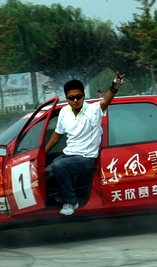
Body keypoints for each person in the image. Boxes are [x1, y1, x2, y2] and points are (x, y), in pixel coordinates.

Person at [45, 72, 125, 215]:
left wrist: (114, 88)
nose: (76, 100)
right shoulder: (64, 112)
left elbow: (105, 101)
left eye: (78, 96)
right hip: (68, 154)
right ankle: (55, 198)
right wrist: (42, 153)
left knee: (58, 166)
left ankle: (70, 202)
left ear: (83, 95)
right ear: (67, 98)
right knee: (47, 168)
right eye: (71, 98)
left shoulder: (93, 109)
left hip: (86, 158)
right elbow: (57, 135)